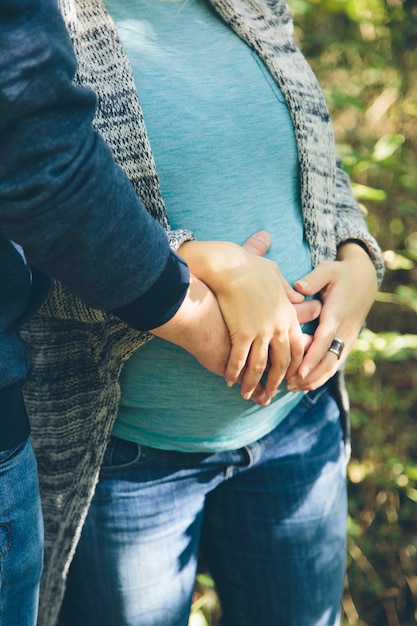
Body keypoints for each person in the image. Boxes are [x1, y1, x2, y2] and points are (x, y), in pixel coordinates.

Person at [19, 0, 385, 624]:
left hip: (297, 431)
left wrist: (358, 262)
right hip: (129, 460)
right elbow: (31, 235)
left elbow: (317, 169)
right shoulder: (35, 23)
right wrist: (195, 260)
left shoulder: (252, 5)